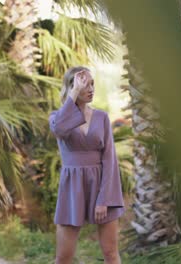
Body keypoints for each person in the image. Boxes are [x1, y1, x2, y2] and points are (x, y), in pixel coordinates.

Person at [49, 66, 126, 264]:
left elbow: (109, 159)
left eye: (92, 84)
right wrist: (74, 94)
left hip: (102, 186)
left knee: (110, 253)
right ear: (72, 87)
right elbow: (60, 130)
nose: (91, 89)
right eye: (85, 84)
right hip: (72, 188)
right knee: (63, 257)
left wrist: (104, 199)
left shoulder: (102, 118)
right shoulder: (57, 117)